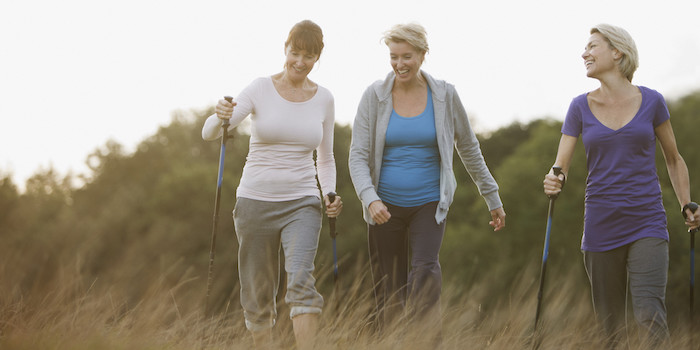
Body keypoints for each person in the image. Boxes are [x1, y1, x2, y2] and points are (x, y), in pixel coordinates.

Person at [543, 24, 699, 348]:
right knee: (610, 328)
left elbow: (673, 158)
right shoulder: (579, 107)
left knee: (650, 315)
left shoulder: (653, 102)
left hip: (647, 220)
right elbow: (561, 165)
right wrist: (554, 178)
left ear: (617, 52)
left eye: (592, 46)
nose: (584, 53)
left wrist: (687, 203)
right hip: (600, 224)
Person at [348, 23, 506, 340]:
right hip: (384, 206)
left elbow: (470, 149)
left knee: (425, 272)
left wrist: (493, 198)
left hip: (429, 202)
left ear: (423, 54)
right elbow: (357, 155)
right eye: (394, 57)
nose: (399, 64)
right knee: (389, 289)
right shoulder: (374, 96)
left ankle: (424, 342)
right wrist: (370, 198)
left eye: (407, 56)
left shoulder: (445, 96)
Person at [202, 19, 342, 350]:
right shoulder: (260, 88)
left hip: (303, 202)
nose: (299, 61)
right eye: (295, 52)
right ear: (285, 49)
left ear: (317, 59)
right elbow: (211, 132)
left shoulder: (324, 99)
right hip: (254, 201)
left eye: (308, 56)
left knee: (301, 280)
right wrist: (219, 114)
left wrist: (330, 193)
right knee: (258, 289)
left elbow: (325, 158)